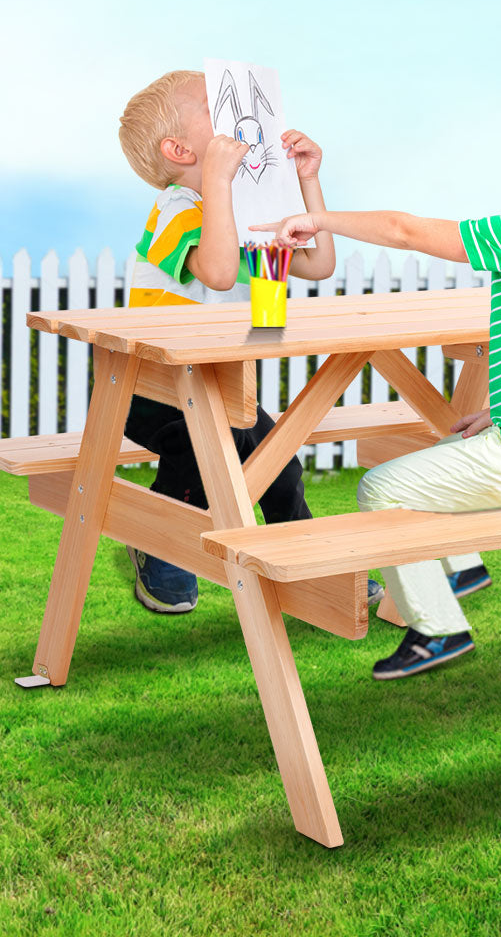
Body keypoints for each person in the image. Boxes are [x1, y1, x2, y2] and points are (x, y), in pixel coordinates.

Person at [255, 90, 501, 679]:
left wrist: (319, 219)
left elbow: (405, 231)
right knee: (449, 448)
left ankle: (439, 629)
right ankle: (464, 565)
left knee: (380, 489)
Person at [117, 69, 364, 613]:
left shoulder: (249, 217)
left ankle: (305, 565)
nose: (235, 119)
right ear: (180, 149)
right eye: (214, 110)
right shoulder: (175, 212)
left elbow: (319, 263)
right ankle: (162, 546)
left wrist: (306, 181)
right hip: (152, 391)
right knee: (201, 453)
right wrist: (224, 186)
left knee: (281, 465)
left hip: (224, 390)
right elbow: (221, 273)